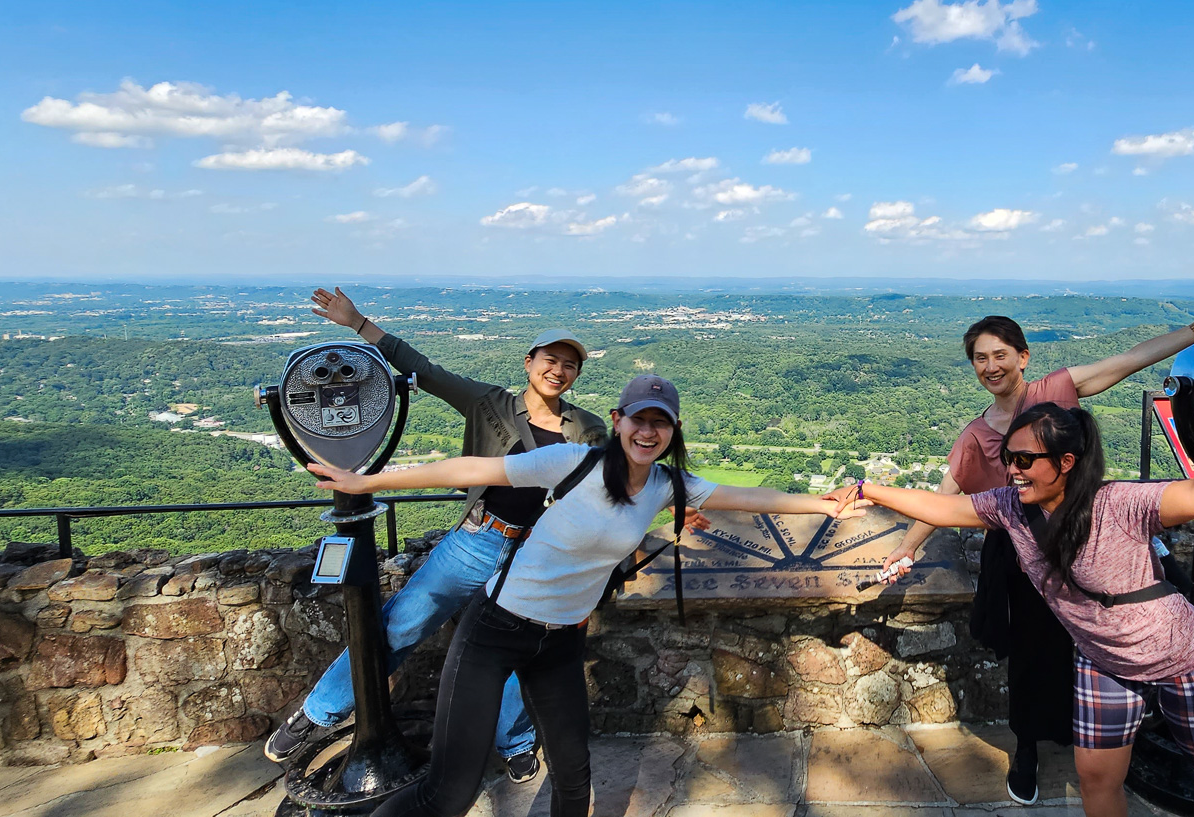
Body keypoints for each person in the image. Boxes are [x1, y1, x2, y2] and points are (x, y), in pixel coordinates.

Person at [310, 374, 858, 817]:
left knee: (574, 778)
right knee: (448, 793)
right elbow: (474, 468)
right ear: (618, 421)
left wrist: (822, 504)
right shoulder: (574, 462)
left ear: (674, 430)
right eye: (639, 419)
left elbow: (747, 496)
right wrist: (366, 483)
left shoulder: (666, 486)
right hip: (494, 631)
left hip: (561, 643)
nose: (648, 432)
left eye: (660, 423)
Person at [830, 398, 1194, 817]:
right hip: (1103, 660)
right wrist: (864, 488)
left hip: (1179, 657)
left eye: (1025, 460)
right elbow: (945, 507)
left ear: (1066, 463)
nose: (1012, 470)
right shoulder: (1011, 509)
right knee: (1097, 780)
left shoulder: (1118, 504)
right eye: (1009, 458)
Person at [878, 291, 1194, 803]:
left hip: (1089, 538)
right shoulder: (976, 435)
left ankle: (1122, 734)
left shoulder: (1056, 390)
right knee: (1032, 657)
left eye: (999, 355)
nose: (991, 367)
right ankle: (1029, 750)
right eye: (980, 358)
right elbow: (946, 499)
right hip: (1024, 554)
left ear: (1023, 356)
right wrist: (907, 548)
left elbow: (1127, 360)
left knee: (1107, 636)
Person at [263, 287, 607, 785]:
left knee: (516, 649)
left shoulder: (587, 428)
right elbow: (423, 369)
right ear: (529, 362)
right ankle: (317, 713)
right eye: (550, 360)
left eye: (569, 365)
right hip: (477, 540)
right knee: (400, 624)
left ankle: (514, 742)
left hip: (534, 553)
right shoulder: (490, 404)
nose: (558, 370)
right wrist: (357, 323)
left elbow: (599, 489)